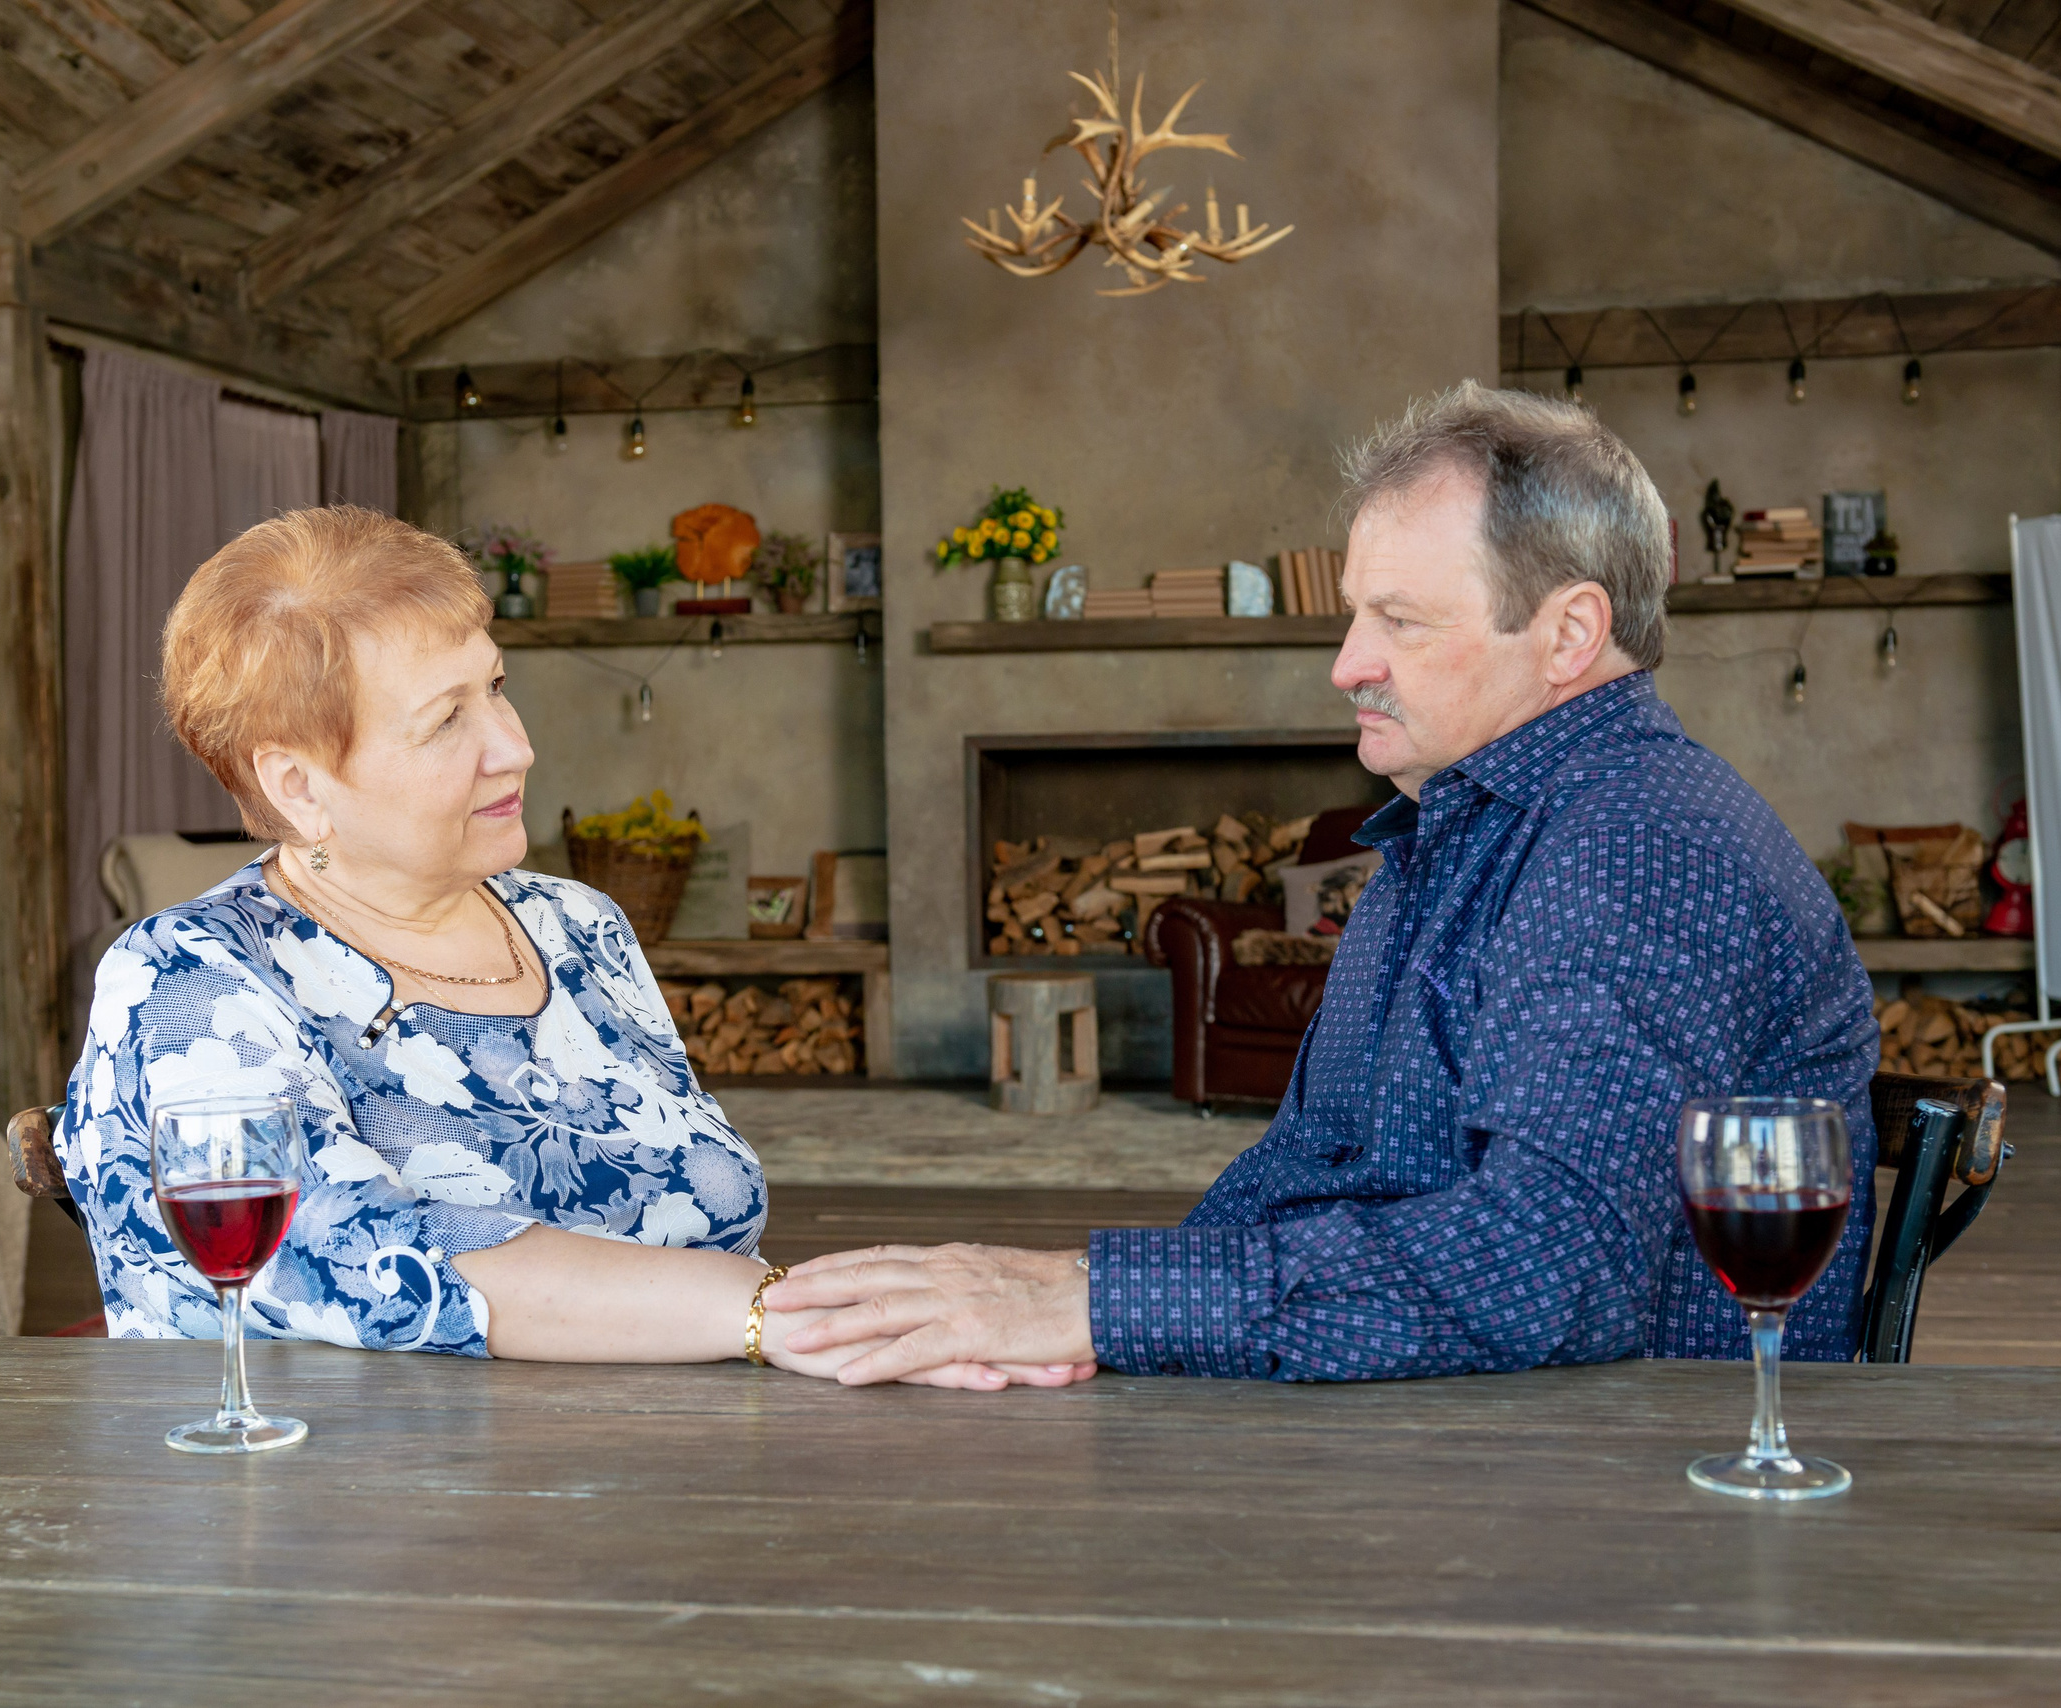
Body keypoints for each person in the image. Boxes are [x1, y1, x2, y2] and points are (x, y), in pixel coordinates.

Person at [771, 382, 1881, 1383]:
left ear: (1568, 634)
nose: (1346, 663)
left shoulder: (1638, 842)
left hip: (1609, 1486)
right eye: (1356, 613)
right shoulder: (1450, 830)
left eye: (1398, 620)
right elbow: (1310, 1160)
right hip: (1455, 1426)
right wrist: (1074, 1302)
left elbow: (1549, 1260)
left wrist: (1098, 1305)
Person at [59, 506, 1086, 1389]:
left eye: (495, 686)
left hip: (672, 1472)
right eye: (445, 719)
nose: (514, 744)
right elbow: (357, 1259)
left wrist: (859, 1320)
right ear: (296, 786)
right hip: (338, 1539)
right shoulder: (190, 979)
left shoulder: (575, 925)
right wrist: (788, 1314)